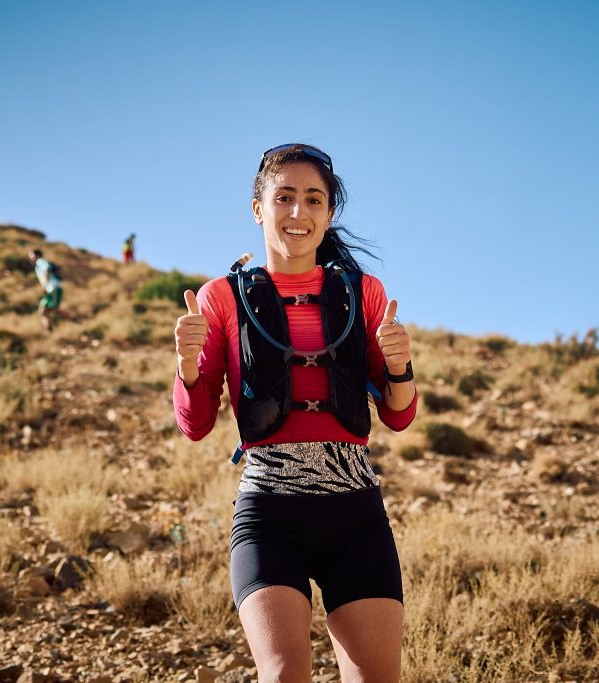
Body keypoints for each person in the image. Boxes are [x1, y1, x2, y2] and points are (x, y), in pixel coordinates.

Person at [173, 144, 417, 682]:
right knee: (283, 674)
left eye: (313, 199)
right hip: (269, 515)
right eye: (283, 197)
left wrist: (400, 367)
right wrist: (188, 366)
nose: (298, 212)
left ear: (328, 214)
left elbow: (399, 415)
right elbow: (195, 424)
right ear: (257, 208)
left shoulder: (362, 293)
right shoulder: (221, 298)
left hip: (356, 514)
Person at [28, 249, 63, 331]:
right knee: (42, 312)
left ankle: (75, 319)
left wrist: (45, 285)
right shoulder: (37, 266)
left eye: (32, 256)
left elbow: (47, 269)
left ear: (37, 255)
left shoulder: (40, 261)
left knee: (54, 309)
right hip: (49, 289)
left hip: (53, 288)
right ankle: (50, 330)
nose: (30, 258)